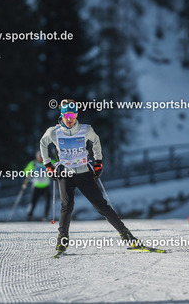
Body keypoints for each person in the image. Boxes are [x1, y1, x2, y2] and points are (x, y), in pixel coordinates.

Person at [39, 98, 139, 255]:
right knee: (66, 206)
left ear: (76, 115)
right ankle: (62, 241)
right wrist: (48, 165)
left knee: (102, 206)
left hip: (84, 173)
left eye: (73, 115)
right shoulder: (53, 132)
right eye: (67, 116)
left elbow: (96, 141)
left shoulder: (86, 130)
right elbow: (43, 144)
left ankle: (127, 236)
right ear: (62, 116)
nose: (70, 119)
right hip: (65, 173)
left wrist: (98, 162)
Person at [23, 151, 52, 221]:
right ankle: (29, 216)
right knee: (33, 202)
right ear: (37, 157)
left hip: (46, 185)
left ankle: (45, 216)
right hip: (36, 185)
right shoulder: (33, 163)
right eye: (40, 157)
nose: (41, 158)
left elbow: (56, 165)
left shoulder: (48, 162)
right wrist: (30, 171)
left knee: (48, 202)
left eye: (42, 157)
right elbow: (25, 171)